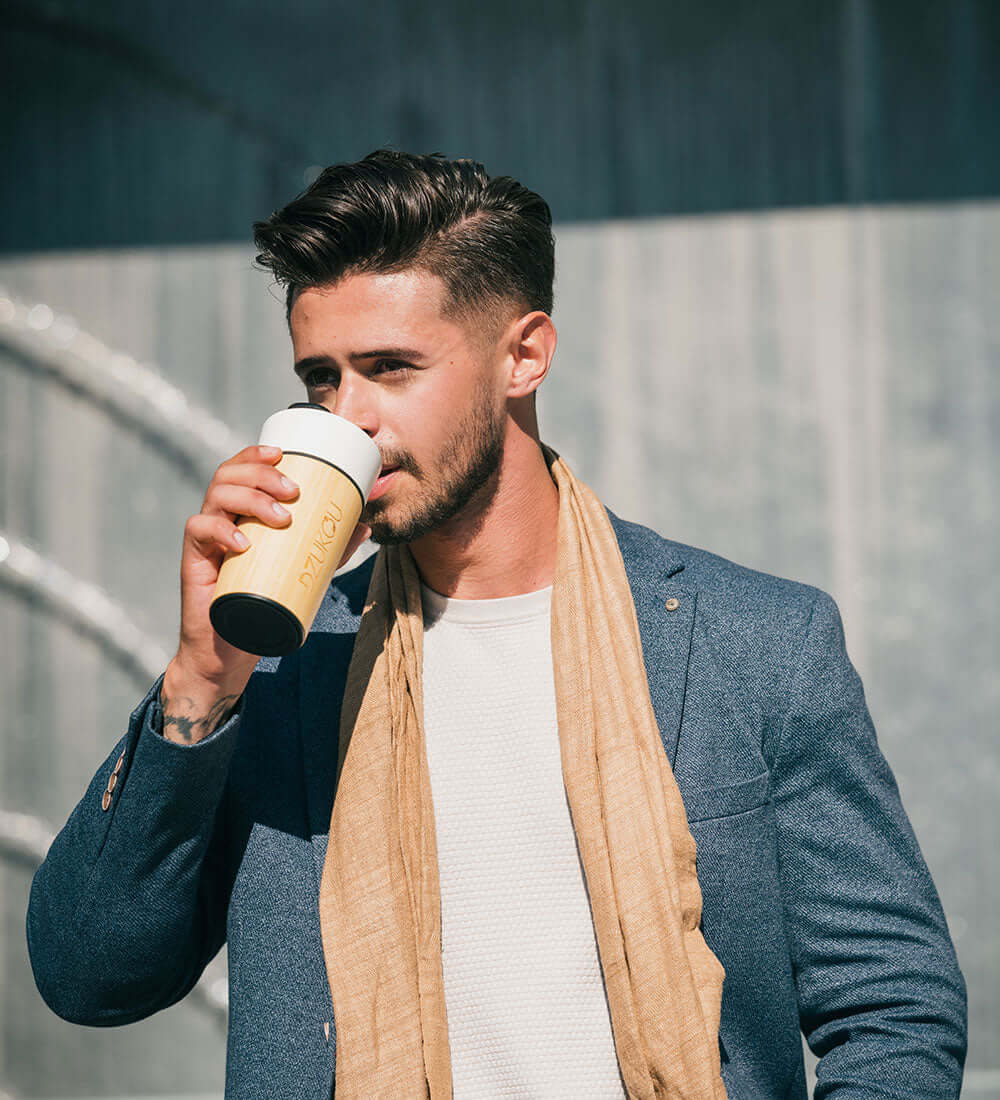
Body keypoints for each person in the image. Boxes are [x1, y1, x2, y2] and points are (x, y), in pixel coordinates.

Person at [26, 150, 967, 1099]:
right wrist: (199, 679)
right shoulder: (286, 666)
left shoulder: (755, 643)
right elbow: (90, 977)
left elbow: (891, 1003)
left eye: (390, 369)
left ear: (525, 355)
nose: (350, 419)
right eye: (321, 379)